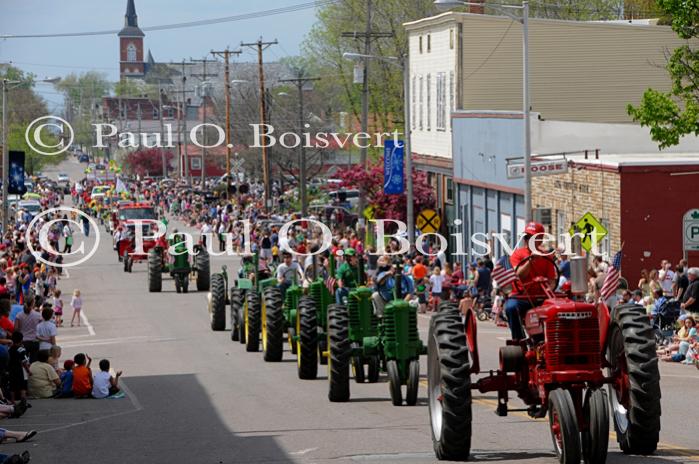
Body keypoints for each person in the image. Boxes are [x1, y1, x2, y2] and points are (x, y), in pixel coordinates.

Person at [504, 222, 557, 340]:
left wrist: (549, 289)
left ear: (540, 239)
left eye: (532, 237)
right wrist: (531, 260)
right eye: (526, 237)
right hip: (520, 296)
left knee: (558, 310)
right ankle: (518, 340)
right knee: (511, 308)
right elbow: (519, 275)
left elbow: (552, 281)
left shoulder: (547, 257)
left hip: (541, 297)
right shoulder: (517, 254)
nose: (528, 240)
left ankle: (553, 340)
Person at [8, 332, 30, 402]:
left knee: (12, 385)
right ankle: (23, 399)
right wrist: (28, 370)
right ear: (21, 340)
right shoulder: (21, 349)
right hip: (18, 369)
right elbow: (24, 362)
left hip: (11, 369)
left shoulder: (9, 349)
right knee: (22, 385)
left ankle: (12, 400)